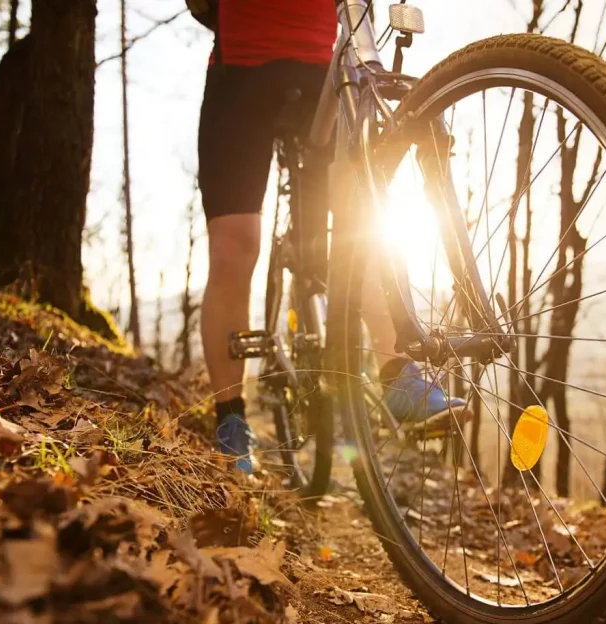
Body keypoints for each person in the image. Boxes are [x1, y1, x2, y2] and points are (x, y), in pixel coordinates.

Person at [190, 0, 465, 474]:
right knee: (235, 245)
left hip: (329, 74)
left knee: (361, 215)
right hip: (242, 71)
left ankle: (397, 373)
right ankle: (230, 421)